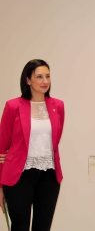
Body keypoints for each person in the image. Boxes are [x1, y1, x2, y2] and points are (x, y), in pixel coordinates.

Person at [0, 59, 65, 231]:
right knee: (20, 226)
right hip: (19, 176)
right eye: (39, 77)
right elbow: (2, 145)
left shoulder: (58, 106)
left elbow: (55, 140)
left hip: (49, 176)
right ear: (28, 80)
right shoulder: (13, 106)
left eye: (48, 76)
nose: (45, 81)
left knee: (43, 227)